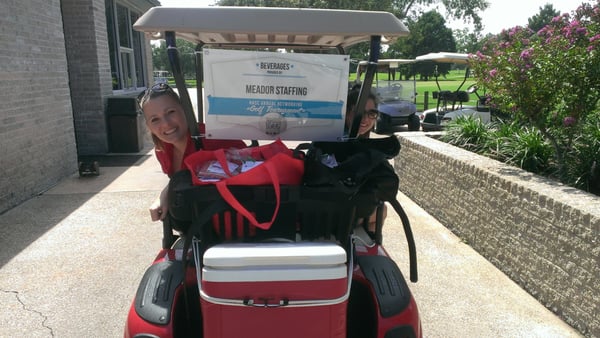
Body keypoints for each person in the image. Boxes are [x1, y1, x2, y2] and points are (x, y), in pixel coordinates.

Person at [138, 83, 246, 222]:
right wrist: (164, 194)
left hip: (231, 224)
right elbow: (180, 180)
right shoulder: (163, 150)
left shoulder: (212, 138)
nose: (166, 124)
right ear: (149, 127)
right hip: (197, 224)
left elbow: (249, 167)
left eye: (170, 112)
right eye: (155, 119)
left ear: (185, 110)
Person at [345, 87, 388, 232]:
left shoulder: (364, 145)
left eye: (372, 113)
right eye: (359, 112)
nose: (365, 119)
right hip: (333, 214)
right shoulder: (338, 142)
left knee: (380, 208)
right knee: (382, 211)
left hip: (344, 210)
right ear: (346, 113)